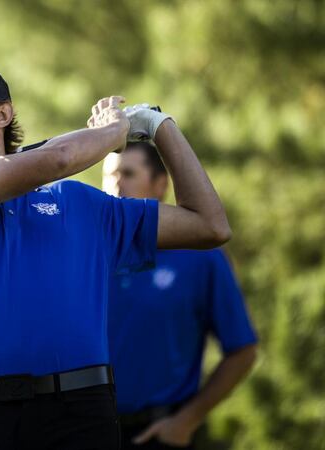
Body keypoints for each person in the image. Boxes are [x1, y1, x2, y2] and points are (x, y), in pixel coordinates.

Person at [0, 59, 231, 449]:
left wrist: (161, 127)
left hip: (83, 413)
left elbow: (209, 225)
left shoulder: (78, 202)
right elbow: (58, 159)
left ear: (2, 114)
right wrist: (115, 130)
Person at [103, 142, 258, 450]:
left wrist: (186, 421)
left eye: (128, 174)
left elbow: (242, 351)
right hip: (91, 431)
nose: (116, 184)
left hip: (159, 433)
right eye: (109, 175)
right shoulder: (89, 252)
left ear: (160, 185)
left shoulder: (201, 255)